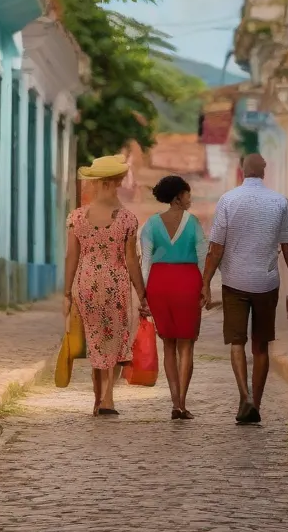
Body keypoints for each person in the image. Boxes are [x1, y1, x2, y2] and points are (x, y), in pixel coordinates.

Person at [201, 153, 288, 425]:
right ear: (264, 172)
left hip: (234, 282)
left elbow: (216, 248)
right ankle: (256, 403)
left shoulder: (228, 200)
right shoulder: (280, 202)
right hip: (266, 283)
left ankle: (244, 397)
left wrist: (205, 282)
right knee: (261, 346)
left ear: (241, 171)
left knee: (237, 342)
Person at [64, 154, 150, 417]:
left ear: (97, 182)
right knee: (113, 341)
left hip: (87, 284)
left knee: (96, 341)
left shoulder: (77, 217)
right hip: (116, 284)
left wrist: (67, 293)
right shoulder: (126, 219)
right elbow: (132, 261)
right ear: (113, 183)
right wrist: (142, 294)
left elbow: (72, 257)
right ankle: (108, 398)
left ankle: (96, 398)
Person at [139, 176, 207, 420]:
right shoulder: (194, 223)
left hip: (159, 283)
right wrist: (206, 287)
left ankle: (174, 400)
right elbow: (202, 257)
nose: (190, 198)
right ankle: (182, 404)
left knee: (168, 343)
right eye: (187, 194)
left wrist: (143, 295)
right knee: (186, 344)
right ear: (179, 196)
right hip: (187, 281)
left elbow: (145, 261)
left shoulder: (151, 224)